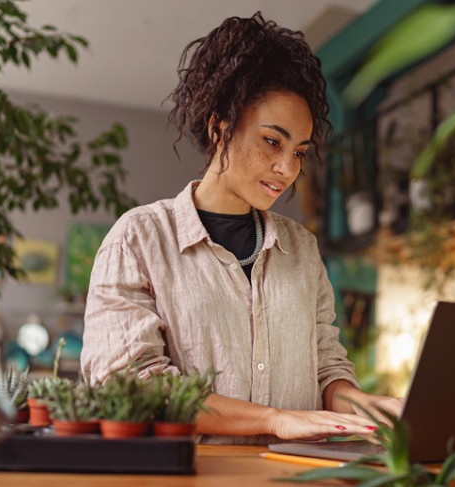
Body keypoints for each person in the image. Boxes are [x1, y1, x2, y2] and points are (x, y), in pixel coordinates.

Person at [81, 12, 401, 445]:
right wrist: (274, 420)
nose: (287, 168)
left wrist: (372, 407)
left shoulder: (301, 248)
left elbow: (327, 369)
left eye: (299, 152)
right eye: (272, 141)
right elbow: (132, 386)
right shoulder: (139, 239)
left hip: (294, 473)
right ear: (220, 128)